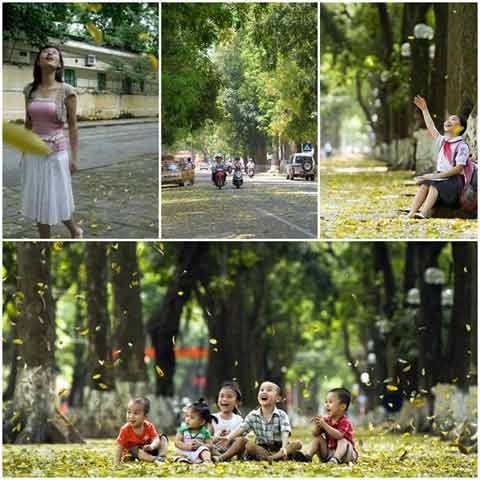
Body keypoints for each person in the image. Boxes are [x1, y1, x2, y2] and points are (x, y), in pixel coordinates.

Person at [22, 45, 82, 238]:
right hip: (34, 153)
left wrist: (74, 158)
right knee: (39, 200)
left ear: (59, 64)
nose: (50, 53)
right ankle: (44, 241)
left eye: (55, 53)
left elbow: (73, 126)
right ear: (39, 60)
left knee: (56, 198)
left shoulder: (67, 91)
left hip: (56, 154)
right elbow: (28, 122)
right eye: (45, 51)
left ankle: (75, 230)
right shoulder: (29, 90)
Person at [407, 95, 470, 219]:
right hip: (441, 178)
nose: (449, 121)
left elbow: (458, 169)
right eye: (448, 119)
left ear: (460, 128)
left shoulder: (462, 146)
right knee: (425, 183)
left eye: (453, 120)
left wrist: (436, 176)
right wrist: (424, 109)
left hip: (454, 182)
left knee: (435, 184)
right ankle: (411, 213)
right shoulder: (444, 141)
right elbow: (431, 127)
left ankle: (424, 213)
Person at [219, 381, 305, 462]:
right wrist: (229, 437)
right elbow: (242, 427)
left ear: (278, 398)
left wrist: (283, 447)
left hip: (279, 447)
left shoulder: (282, 415)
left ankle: (276, 456)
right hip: (262, 449)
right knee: (249, 445)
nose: (264, 392)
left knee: (298, 443)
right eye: (262, 390)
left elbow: (285, 432)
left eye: (269, 390)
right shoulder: (253, 415)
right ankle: (273, 457)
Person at [306, 388, 358, 464]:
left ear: (342, 407)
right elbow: (315, 434)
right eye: (326, 402)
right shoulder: (326, 420)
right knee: (318, 438)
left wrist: (324, 425)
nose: (327, 405)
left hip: (346, 455)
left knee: (343, 441)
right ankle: (308, 456)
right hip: (328, 453)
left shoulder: (345, 421)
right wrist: (317, 425)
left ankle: (336, 459)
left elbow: (339, 435)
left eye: (330, 402)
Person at [114, 397, 168, 465]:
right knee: (133, 449)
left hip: (148, 451)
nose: (131, 416)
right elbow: (119, 447)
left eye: (136, 413)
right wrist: (116, 463)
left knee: (163, 438)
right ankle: (154, 459)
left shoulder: (149, 426)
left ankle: (161, 457)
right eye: (129, 412)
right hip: (134, 455)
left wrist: (152, 446)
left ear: (145, 416)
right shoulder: (125, 429)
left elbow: (155, 439)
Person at [210, 381, 247, 463]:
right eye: (221, 396)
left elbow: (240, 439)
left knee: (242, 440)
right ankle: (222, 457)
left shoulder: (239, 420)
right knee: (205, 446)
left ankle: (223, 457)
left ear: (237, 402)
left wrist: (230, 437)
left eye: (229, 396)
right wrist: (217, 436)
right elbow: (207, 438)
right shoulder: (212, 418)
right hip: (215, 449)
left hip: (232, 450)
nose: (224, 399)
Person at [174, 398, 215, 464]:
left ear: (202, 422)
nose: (187, 419)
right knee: (177, 452)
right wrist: (186, 446)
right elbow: (177, 442)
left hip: (198, 452)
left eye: (192, 417)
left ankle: (207, 460)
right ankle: (183, 461)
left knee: (204, 450)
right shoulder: (183, 430)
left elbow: (210, 445)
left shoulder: (204, 432)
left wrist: (201, 445)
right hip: (185, 452)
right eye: (187, 416)